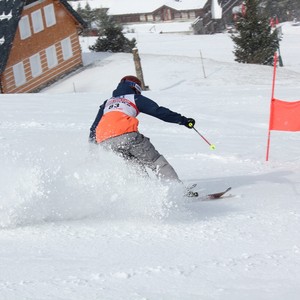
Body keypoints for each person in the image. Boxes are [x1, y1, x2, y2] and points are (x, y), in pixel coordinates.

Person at [89, 75, 195, 183]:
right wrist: (183, 120)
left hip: (106, 140)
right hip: (127, 135)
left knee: (134, 165)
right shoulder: (133, 98)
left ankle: (143, 192)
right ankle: (177, 189)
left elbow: (94, 128)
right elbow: (159, 112)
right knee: (155, 161)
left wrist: (92, 149)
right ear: (136, 88)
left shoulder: (107, 102)